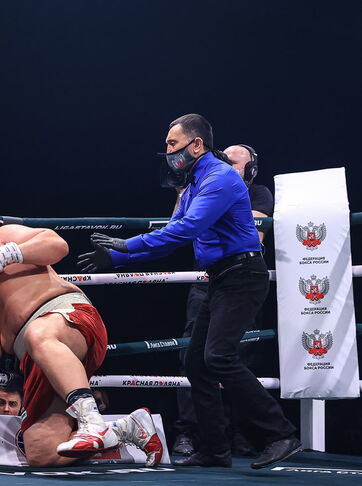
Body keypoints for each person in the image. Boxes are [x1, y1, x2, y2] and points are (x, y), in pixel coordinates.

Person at [77, 114, 300, 469]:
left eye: (172, 144)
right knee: (196, 363)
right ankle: (215, 449)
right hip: (219, 278)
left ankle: (280, 434)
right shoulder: (194, 184)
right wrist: (116, 258)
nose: (167, 152)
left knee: (219, 357)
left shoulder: (220, 177)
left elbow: (188, 228)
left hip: (243, 275)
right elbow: (172, 235)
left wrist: (127, 244)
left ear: (196, 144)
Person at [0, 225, 162, 467]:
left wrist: (1, 256)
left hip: (69, 319)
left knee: (36, 334)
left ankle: (91, 421)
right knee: (42, 453)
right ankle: (128, 428)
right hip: (37, 360)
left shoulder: (0, 238)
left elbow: (57, 245)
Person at [172, 143, 273, 457]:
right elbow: (177, 227)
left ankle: (252, 433)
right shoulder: (204, 188)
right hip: (208, 280)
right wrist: (186, 191)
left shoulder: (256, 194)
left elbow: (253, 236)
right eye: (223, 161)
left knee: (233, 356)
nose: (226, 167)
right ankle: (196, 435)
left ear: (251, 170)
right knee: (193, 357)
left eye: (234, 163)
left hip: (239, 276)